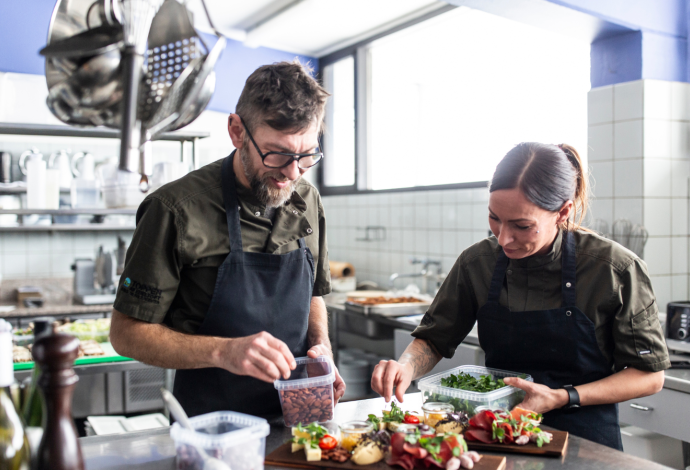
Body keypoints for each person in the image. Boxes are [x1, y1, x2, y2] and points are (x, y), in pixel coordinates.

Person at [371, 142, 668, 449]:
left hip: (586, 440)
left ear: (562, 212)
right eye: (494, 218)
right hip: (498, 434)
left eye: (522, 226)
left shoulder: (613, 269)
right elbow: (434, 338)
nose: (503, 238)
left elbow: (649, 376)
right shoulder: (478, 263)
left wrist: (560, 397)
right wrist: (405, 366)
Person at [110, 61, 345, 420]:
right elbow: (126, 334)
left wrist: (322, 348)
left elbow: (312, 293)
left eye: (306, 155)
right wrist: (224, 352)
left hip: (298, 417)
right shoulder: (174, 210)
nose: (292, 172)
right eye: (277, 153)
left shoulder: (308, 199)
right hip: (211, 427)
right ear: (237, 131)